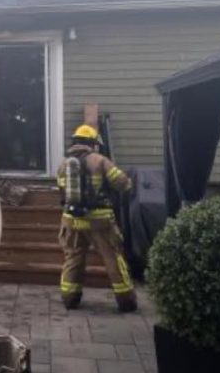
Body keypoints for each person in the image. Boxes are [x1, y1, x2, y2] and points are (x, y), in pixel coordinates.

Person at [56, 124, 137, 312]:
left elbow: (61, 191)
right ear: (93, 143)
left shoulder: (63, 164)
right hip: (99, 220)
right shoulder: (100, 161)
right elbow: (122, 184)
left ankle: (70, 298)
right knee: (113, 258)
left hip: (71, 219)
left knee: (73, 259)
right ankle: (126, 301)